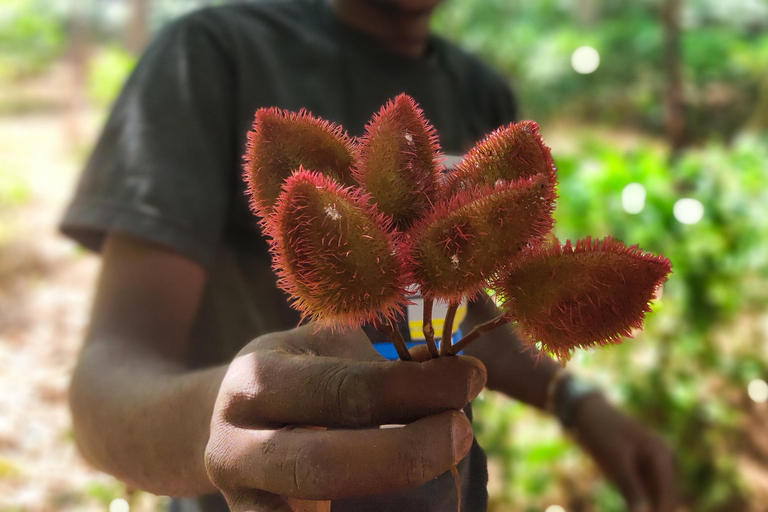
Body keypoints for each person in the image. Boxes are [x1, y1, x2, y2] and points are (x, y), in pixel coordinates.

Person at [60, 0, 677, 511]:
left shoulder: (478, 88)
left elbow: (465, 315)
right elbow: (103, 386)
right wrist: (222, 421)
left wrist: (577, 403)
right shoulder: (211, 53)